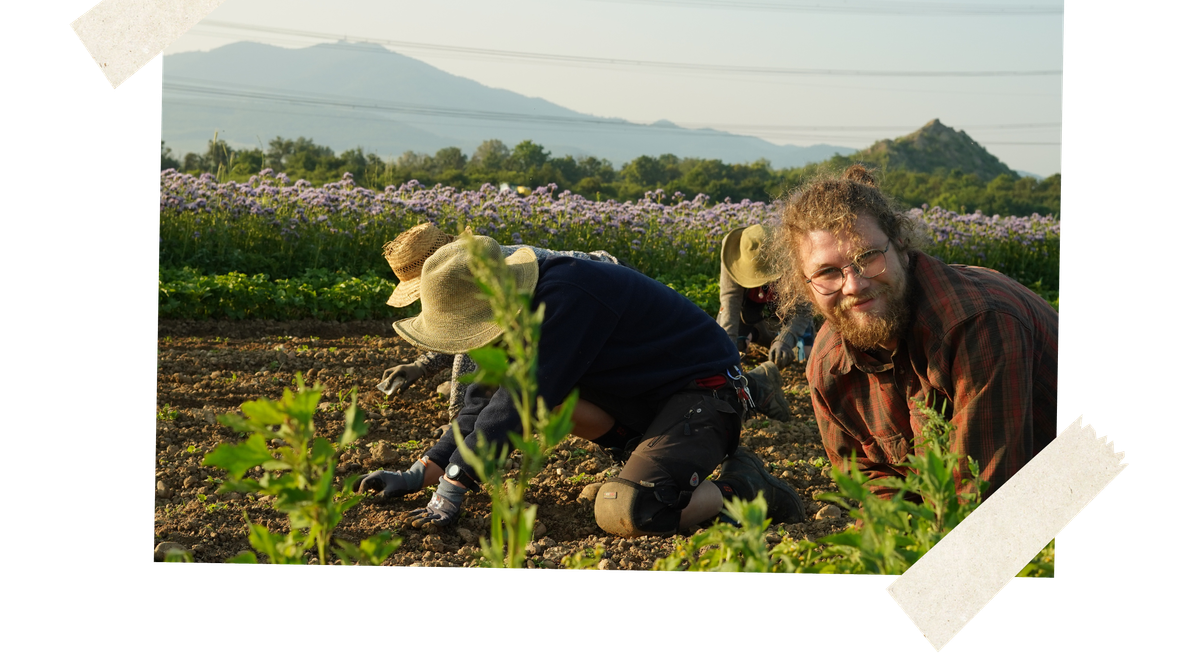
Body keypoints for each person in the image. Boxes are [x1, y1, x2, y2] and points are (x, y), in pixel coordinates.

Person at [357, 236, 806, 535]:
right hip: (649, 398)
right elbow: (485, 399)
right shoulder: (516, 306)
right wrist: (424, 471)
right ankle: (640, 461)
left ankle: (747, 488)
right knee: (542, 407)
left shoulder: (567, 296)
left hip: (704, 395)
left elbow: (524, 396)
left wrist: (455, 485)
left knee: (633, 511)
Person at [765, 165, 1059, 505]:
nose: (854, 285)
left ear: (901, 247)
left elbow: (980, 500)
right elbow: (870, 486)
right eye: (827, 272)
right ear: (806, 287)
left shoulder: (978, 324)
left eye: (868, 257)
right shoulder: (828, 367)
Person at [376, 222, 625, 419]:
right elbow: (460, 331)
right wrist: (421, 365)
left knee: (583, 384)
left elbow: (471, 342)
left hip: (609, 286)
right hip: (587, 293)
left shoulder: (482, 270)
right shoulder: (464, 268)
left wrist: (459, 419)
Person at [718, 224, 813, 371]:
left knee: (806, 354)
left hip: (783, 306)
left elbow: (804, 307)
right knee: (731, 343)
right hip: (750, 306)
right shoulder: (734, 256)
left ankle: (774, 338)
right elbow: (730, 301)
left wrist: (786, 339)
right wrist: (727, 346)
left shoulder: (792, 257)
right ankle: (753, 334)